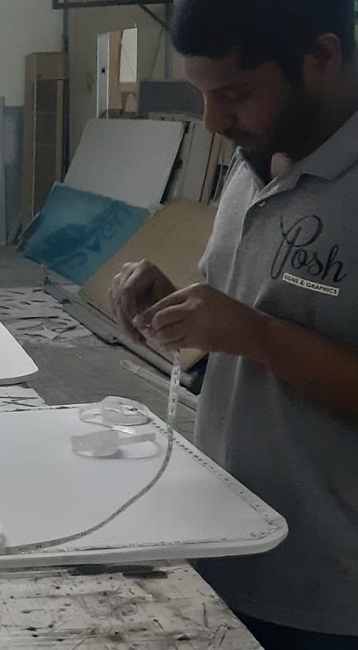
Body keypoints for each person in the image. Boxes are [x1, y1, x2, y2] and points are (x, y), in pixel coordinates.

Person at [109, 0, 358, 647]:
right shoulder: (258, 160)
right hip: (227, 550)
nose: (212, 122)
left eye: (234, 93)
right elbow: (248, 315)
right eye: (202, 94)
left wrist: (255, 335)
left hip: (329, 595)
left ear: (322, 56)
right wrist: (177, 308)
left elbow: (260, 331)